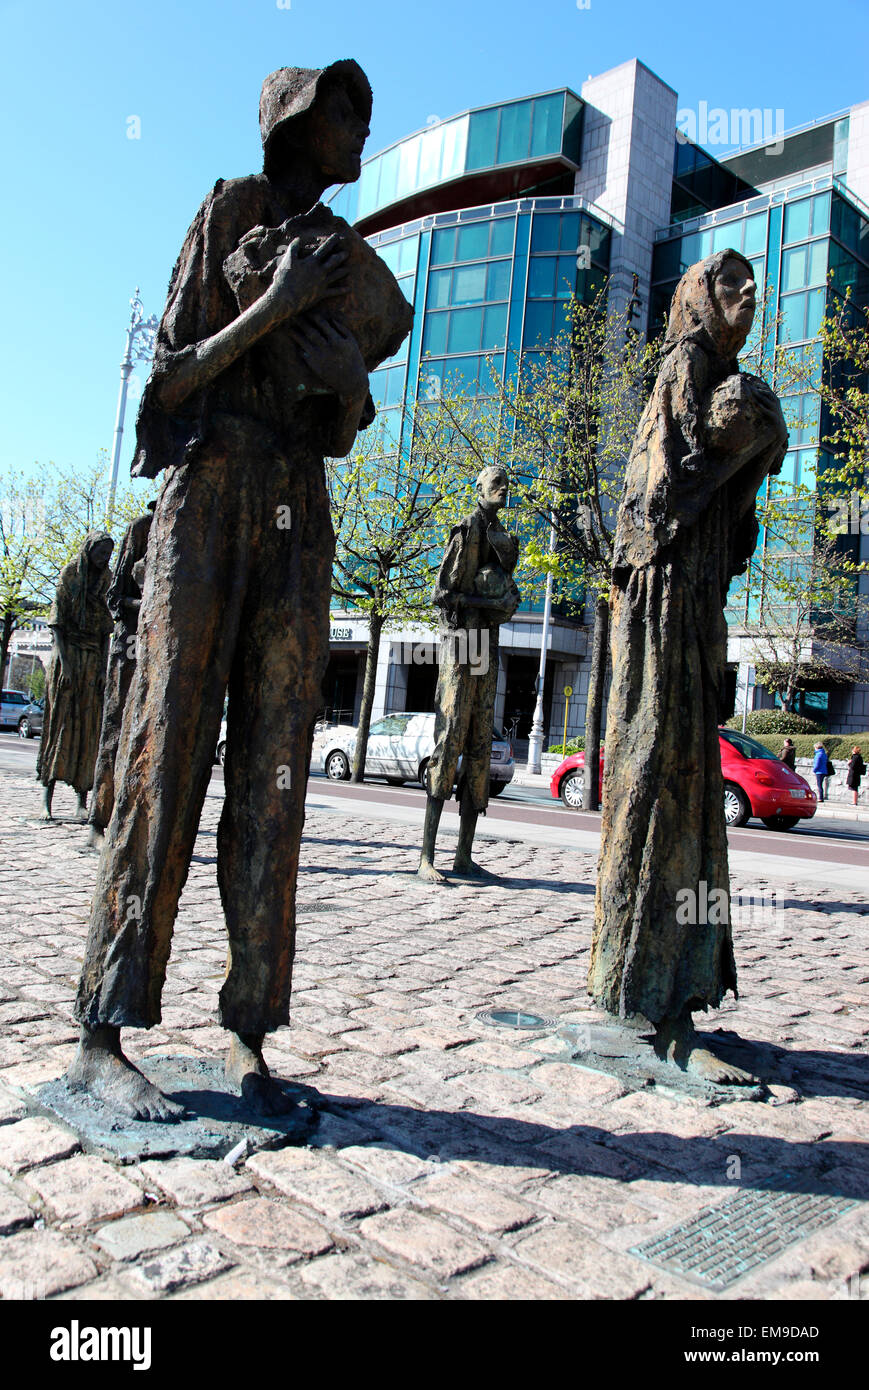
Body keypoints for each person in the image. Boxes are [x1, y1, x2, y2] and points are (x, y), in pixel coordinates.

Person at [69, 60, 410, 1122]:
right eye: (341, 113)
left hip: (293, 512)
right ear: (293, 121)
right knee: (165, 750)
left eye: (362, 115)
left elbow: (344, 413)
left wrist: (349, 393)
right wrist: (271, 307)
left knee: (273, 775)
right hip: (209, 489)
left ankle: (249, 1024)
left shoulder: (352, 258)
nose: (357, 132)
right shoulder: (232, 208)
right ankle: (104, 1028)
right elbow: (169, 380)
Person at [589, 250, 788, 1085]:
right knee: (659, 783)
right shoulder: (685, 367)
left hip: (691, 595)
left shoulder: (718, 376)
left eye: (751, 288)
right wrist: (744, 433)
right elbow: (665, 497)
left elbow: (725, 510)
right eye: (728, 286)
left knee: (687, 787)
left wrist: (754, 445)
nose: (746, 298)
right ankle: (648, 1005)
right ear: (696, 301)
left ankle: (670, 992)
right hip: (663, 597)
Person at [418, 465, 520, 883]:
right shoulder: (465, 530)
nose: (502, 489)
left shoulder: (503, 538)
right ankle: (426, 857)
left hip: (486, 643)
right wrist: (481, 599)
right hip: (462, 640)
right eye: (494, 484)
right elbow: (441, 593)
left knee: (479, 740)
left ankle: (463, 855)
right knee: (451, 737)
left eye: (505, 485)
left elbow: (508, 590)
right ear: (478, 488)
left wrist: (501, 604)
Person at [86, 503, 156, 847]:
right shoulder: (143, 527)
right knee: (115, 728)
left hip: (159, 644)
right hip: (129, 641)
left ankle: (132, 821)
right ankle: (98, 822)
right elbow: (116, 599)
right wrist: (147, 605)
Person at [37, 532, 115, 822]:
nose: (103, 557)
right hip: (68, 656)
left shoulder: (105, 579)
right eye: (100, 551)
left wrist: (103, 669)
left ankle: (82, 799)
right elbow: (56, 625)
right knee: (60, 726)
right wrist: (66, 667)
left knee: (89, 730)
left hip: (93, 659)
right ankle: (47, 797)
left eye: (108, 552)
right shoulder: (71, 574)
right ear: (89, 550)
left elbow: (106, 630)